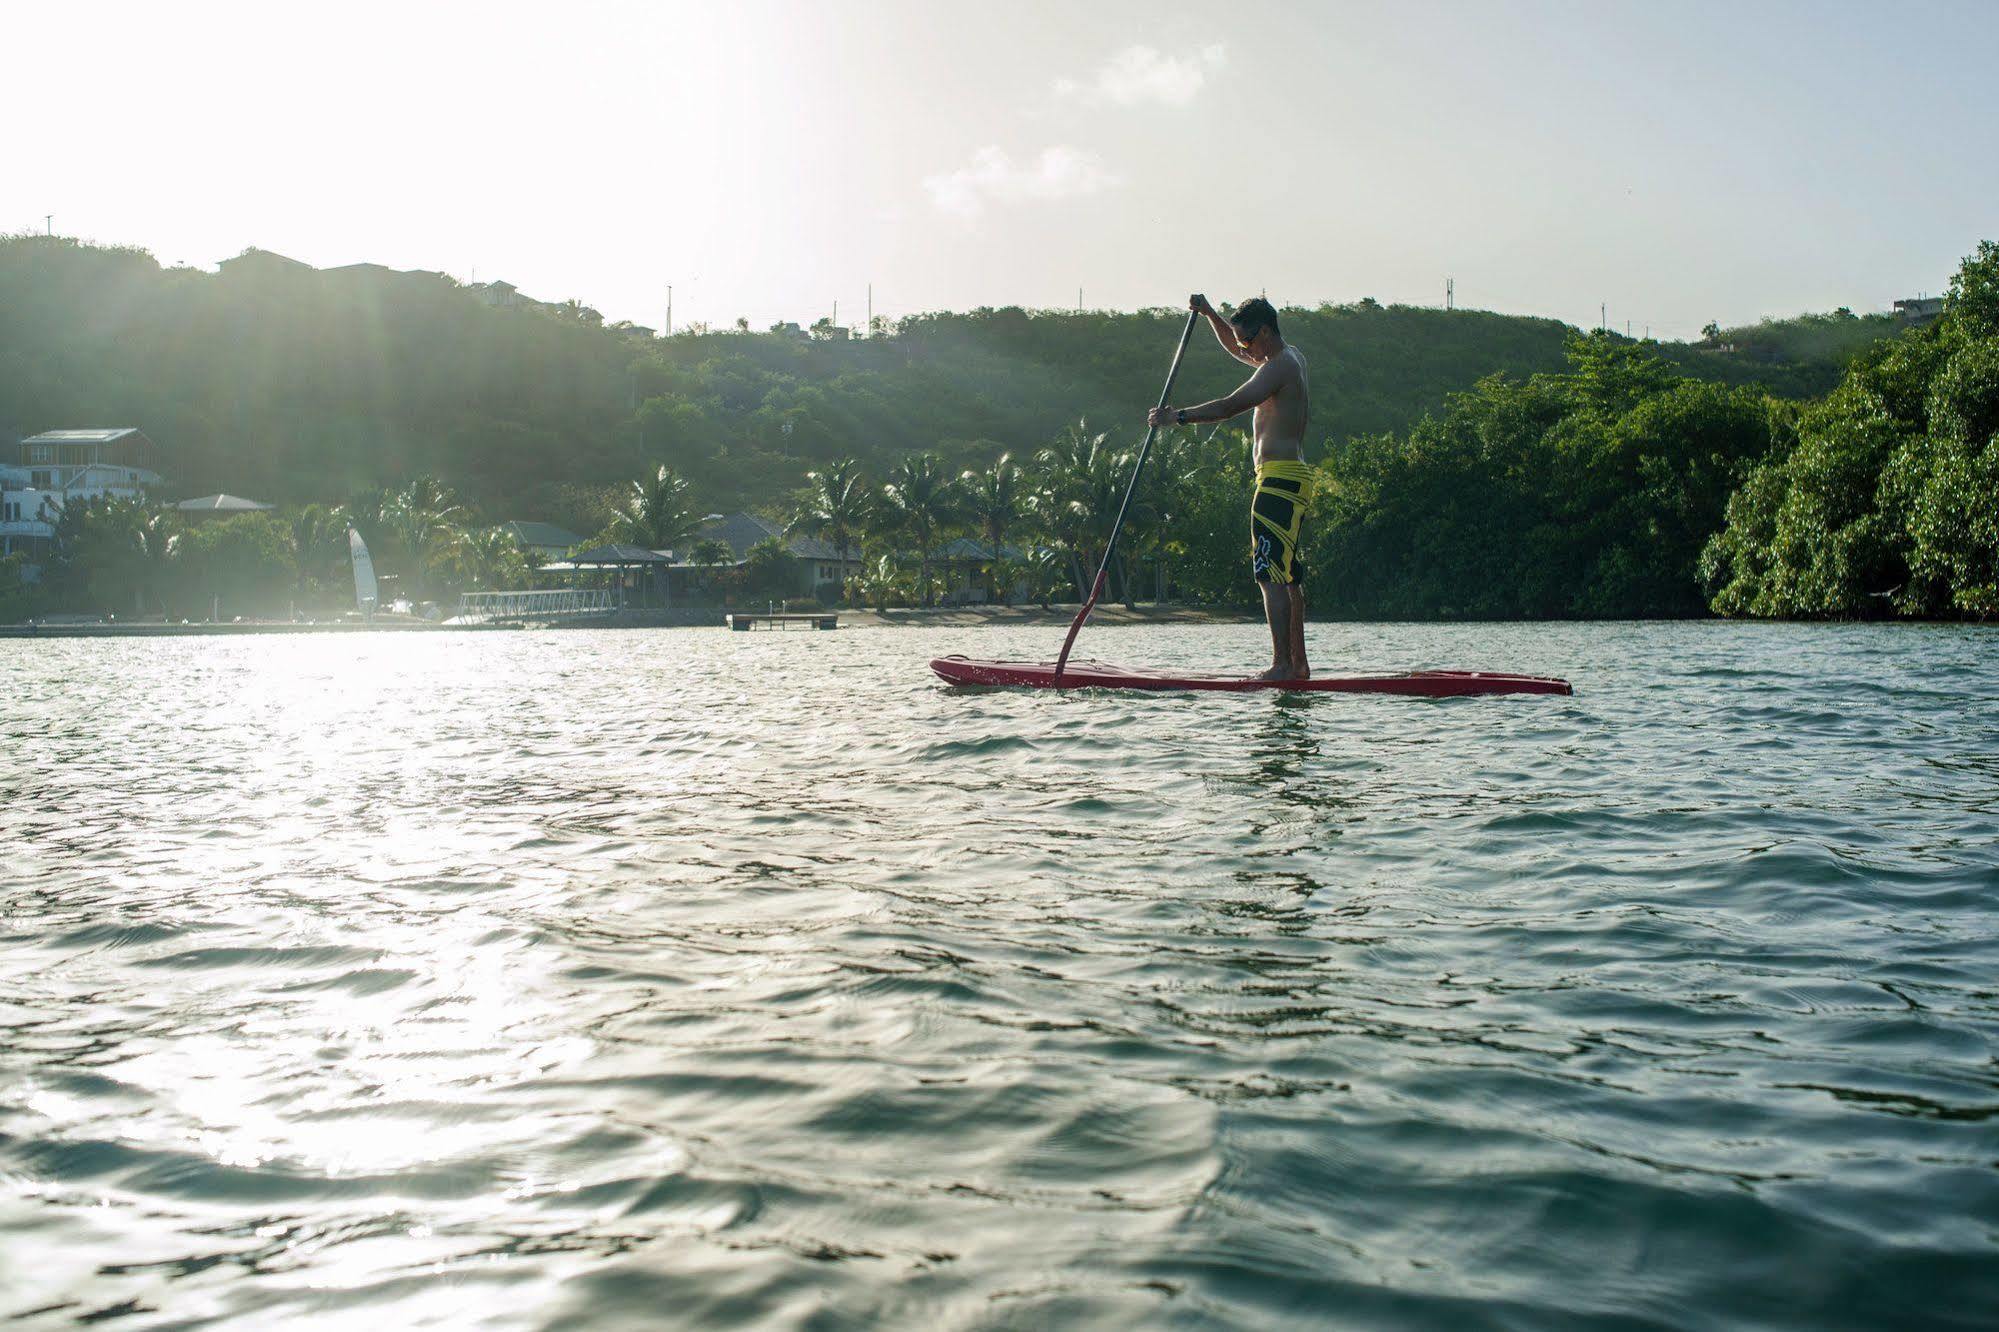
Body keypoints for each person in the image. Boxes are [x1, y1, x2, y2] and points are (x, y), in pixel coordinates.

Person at [1149, 294, 1313, 680]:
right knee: (1287, 574)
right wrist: (1210, 315)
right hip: (1287, 479)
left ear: (1266, 332)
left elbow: (1227, 407)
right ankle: (1298, 666)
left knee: (1269, 574)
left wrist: (1178, 417)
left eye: (1248, 341)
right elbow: (1235, 349)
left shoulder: (1280, 366)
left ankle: (1282, 666)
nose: (1243, 349)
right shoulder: (1285, 358)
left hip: (1279, 481)